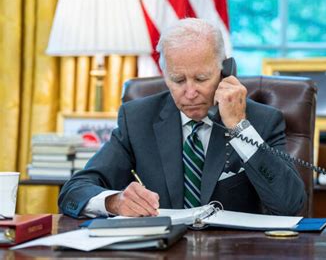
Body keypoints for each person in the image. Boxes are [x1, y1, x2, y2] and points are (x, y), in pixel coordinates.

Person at [58, 18, 306, 218]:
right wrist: (114, 202)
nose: (189, 92)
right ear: (164, 74)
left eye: (201, 79)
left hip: (234, 250)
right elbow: (74, 190)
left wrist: (239, 127)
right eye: (177, 80)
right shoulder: (137, 119)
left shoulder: (261, 120)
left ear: (225, 70)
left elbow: (290, 204)